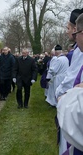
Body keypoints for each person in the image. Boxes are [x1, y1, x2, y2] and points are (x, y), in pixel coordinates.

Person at [55, 8, 83, 155]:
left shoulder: (79, 51)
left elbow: (72, 81)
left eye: (68, 28)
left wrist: (61, 97)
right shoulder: (77, 49)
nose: (67, 32)